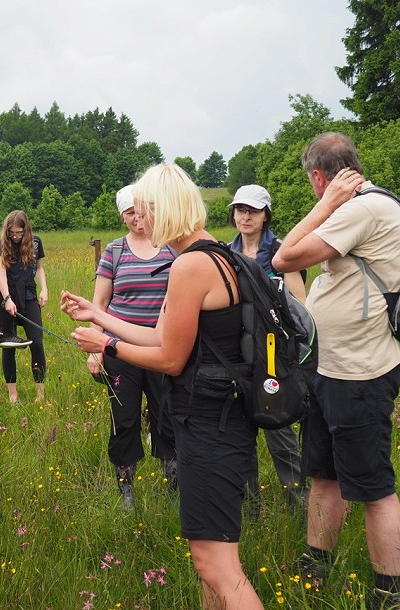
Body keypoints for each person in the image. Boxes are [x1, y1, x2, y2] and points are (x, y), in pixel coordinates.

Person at [62, 163, 263, 609]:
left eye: (145, 209)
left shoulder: (190, 265)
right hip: (220, 420)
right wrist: (97, 316)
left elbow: (169, 359)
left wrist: (106, 345)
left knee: (217, 567)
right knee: (209, 561)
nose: (139, 219)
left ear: (163, 210)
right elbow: (162, 335)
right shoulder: (214, 252)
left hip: (212, 427)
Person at [272, 132, 400, 608]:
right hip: (331, 369)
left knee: (373, 487)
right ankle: (316, 569)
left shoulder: (362, 209)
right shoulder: (359, 209)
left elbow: (284, 256)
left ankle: (387, 593)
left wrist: (325, 204)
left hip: (360, 372)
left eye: (315, 185)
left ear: (318, 177)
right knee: (325, 477)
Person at [88, 185, 177, 510]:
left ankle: (175, 485)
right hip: (120, 351)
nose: (137, 218)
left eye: (142, 211)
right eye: (130, 213)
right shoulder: (114, 251)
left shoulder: (171, 248)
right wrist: (96, 348)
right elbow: (99, 303)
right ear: (122, 215)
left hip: (162, 350)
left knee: (167, 415)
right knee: (123, 420)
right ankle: (126, 490)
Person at [227, 184, 307, 510]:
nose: (246, 216)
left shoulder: (281, 252)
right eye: (240, 210)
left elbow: (301, 306)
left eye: (253, 210)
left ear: (265, 215)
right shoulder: (224, 253)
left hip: (275, 356)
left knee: (280, 432)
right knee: (240, 437)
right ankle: (250, 511)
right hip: (236, 355)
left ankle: (301, 505)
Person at [0, 210, 48, 403]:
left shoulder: (36, 243)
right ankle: (13, 395)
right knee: (8, 345)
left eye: (19, 233)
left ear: (26, 230)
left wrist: (44, 289)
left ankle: (40, 395)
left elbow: (40, 268)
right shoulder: (1, 246)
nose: (15, 237)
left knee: (37, 343)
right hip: (7, 295)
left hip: (29, 294)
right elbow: (0, 274)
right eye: (12, 233)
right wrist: (7, 299)